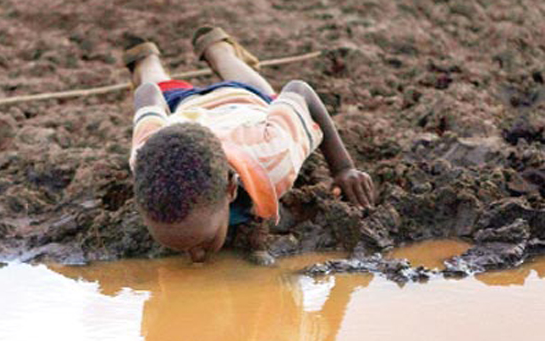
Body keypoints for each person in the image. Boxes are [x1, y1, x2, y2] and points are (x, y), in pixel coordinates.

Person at [126, 26, 374, 263]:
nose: (196, 257)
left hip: (243, 102)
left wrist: (342, 168)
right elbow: (146, 93)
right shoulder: (145, 157)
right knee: (155, 83)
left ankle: (218, 51)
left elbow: (301, 91)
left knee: (264, 95)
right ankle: (146, 61)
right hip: (187, 109)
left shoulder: (274, 155)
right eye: (176, 246)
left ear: (231, 188)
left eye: (203, 242)